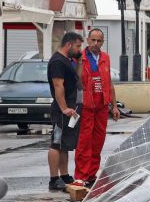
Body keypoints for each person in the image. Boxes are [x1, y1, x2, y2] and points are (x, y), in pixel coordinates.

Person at [71, 28, 119, 189]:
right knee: (85, 141)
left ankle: (91, 174)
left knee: (98, 141)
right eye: (93, 40)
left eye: (99, 41)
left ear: (102, 42)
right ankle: (81, 176)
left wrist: (114, 105)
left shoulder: (105, 58)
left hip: (102, 106)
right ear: (87, 40)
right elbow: (74, 80)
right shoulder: (80, 58)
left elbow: (109, 83)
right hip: (86, 105)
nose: (95, 43)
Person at [47, 31, 84, 192]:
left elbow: (77, 79)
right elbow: (58, 86)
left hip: (71, 108)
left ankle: (65, 175)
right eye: (77, 46)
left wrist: (80, 62)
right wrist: (64, 108)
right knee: (56, 143)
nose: (79, 49)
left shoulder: (67, 61)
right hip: (63, 109)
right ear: (68, 45)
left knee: (65, 144)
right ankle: (54, 178)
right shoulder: (57, 62)